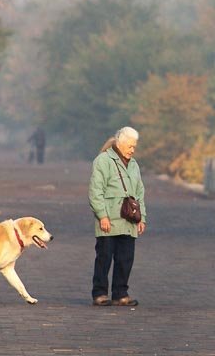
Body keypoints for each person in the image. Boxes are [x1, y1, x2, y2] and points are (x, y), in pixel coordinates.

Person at [88, 126, 146, 307]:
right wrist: (102, 216)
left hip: (129, 220)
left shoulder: (134, 164)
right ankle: (100, 294)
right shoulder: (103, 161)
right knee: (104, 258)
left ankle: (121, 293)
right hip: (109, 220)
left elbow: (139, 192)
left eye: (134, 146)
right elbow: (96, 191)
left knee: (126, 258)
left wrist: (142, 217)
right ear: (119, 143)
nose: (132, 150)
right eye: (130, 146)